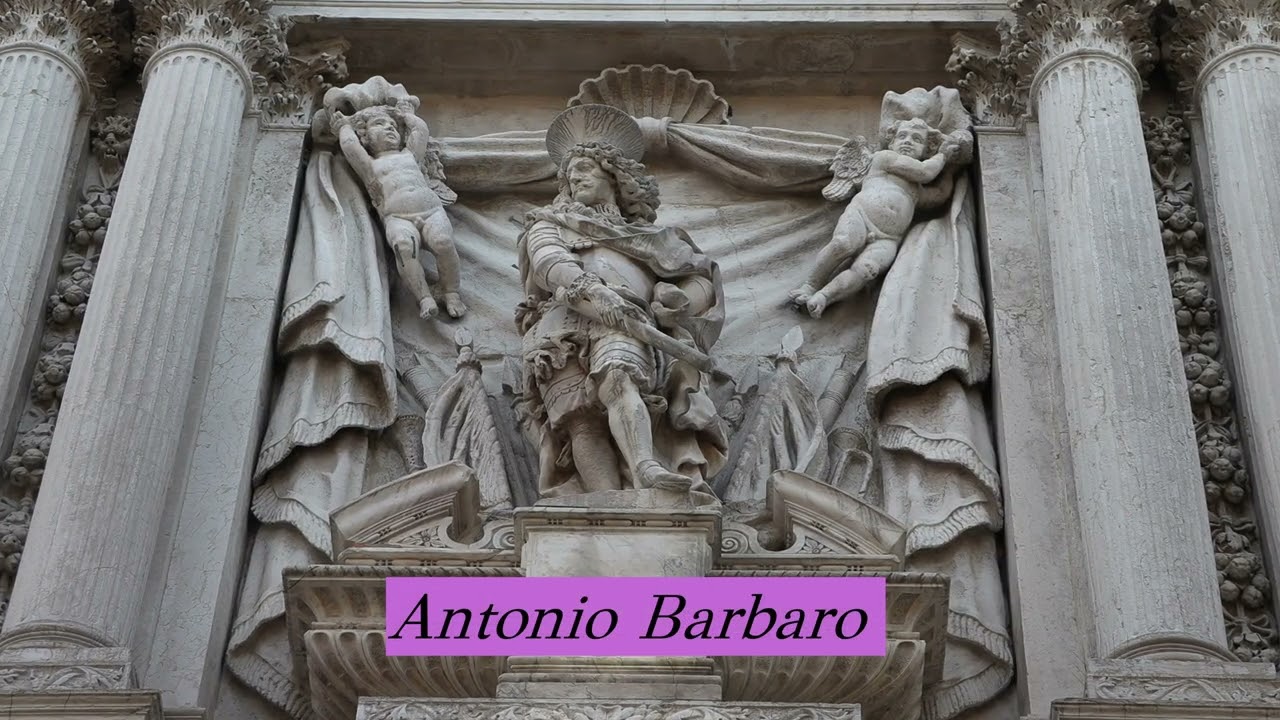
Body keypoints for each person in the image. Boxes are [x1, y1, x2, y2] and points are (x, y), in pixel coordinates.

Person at [514, 105, 727, 500]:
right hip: (563, 330)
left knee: (619, 377)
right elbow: (548, 264)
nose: (574, 178)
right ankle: (605, 501)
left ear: (614, 176)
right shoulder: (550, 223)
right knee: (580, 419)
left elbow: (700, 278)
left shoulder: (653, 239)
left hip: (629, 318)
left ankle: (644, 465)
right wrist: (594, 292)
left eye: (584, 169)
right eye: (569, 173)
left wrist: (678, 302)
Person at [790, 117, 961, 318]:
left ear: (925, 150)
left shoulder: (917, 190)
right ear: (892, 143)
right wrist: (944, 155)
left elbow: (940, 195)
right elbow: (925, 172)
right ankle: (810, 285)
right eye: (902, 136)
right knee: (843, 244)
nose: (908, 141)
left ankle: (824, 296)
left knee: (865, 270)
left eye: (917, 139)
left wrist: (952, 169)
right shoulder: (884, 158)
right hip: (862, 215)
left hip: (889, 238)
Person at [330, 102, 467, 319]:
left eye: (393, 125)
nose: (389, 127)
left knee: (443, 243)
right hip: (397, 217)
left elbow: (420, 131)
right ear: (364, 137)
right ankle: (424, 297)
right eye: (379, 124)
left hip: (431, 211)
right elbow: (350, 146)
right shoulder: (370, 165)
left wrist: (407, 114)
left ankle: (451, 292)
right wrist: (344, 127)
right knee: (404, 247)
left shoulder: (410, 155)